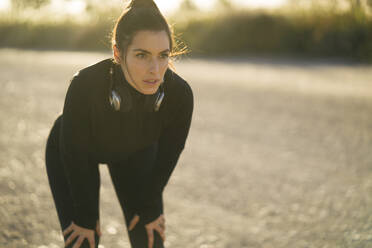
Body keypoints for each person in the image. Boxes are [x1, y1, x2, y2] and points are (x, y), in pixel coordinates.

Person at [44, 0, 194, 247]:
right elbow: (74, 154)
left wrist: (149, 207)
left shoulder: (180, 96)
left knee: (150, 237)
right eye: (141, 55)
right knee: (82, 240)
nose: (155, 70)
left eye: (163, 55)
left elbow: (169, 155)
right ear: (117, 52)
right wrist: (85, 217)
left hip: (135, 154)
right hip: (73, 153)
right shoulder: (85, 85)